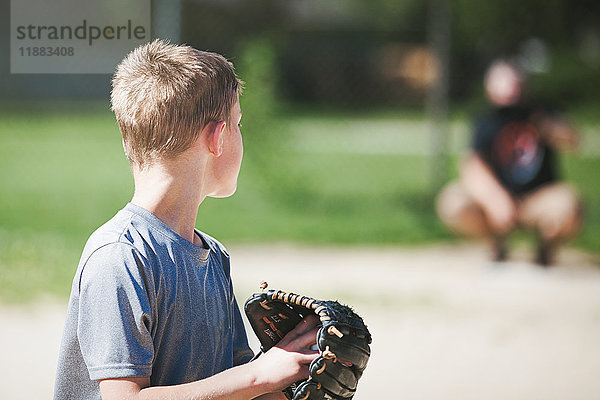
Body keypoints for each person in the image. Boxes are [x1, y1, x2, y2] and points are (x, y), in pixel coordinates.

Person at [53, 39, 320, 400]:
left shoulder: (214, 257)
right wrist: (261, 375)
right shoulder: (120, 256)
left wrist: (295, 369)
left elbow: (236, 386)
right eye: (238, 124)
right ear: (217, 137)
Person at [436, 59, 582, 266]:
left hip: (538, 198)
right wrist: (495, 198)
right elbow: (472, 166)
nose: (511, 90)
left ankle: (545, 249)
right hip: (500, 198)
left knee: (570, 205)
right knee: (452, 202)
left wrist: (548, 126)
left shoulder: (543, 112)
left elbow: (573, 142)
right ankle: (495, 244)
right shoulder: (485, 119)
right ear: (490, 88)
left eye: (514, 83)